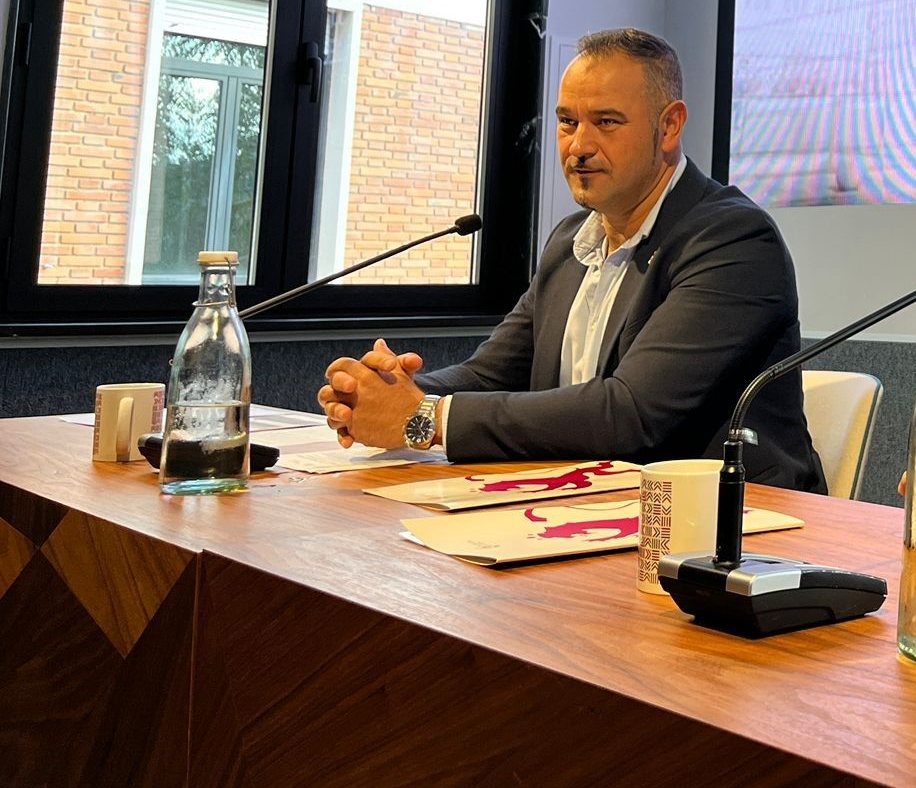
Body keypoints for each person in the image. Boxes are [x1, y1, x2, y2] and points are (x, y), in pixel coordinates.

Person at [317, 28, 824, 489]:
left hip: (730, 528)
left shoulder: (732, 240)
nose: (579, 146)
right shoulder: (570, 242)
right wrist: (384, 393)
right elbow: (491, 375)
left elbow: (631, 414)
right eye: (567, 121)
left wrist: (423, 417)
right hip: (589, 506)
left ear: (669, 127)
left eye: (606, 122)